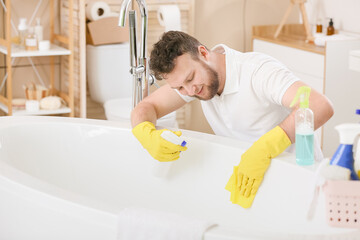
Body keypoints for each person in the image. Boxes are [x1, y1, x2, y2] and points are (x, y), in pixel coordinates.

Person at [131, 31, 334, 208]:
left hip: (298, 179)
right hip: (252, 181)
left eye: (191, 78)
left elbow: (319, 105)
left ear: (203, 53)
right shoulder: (194, 82)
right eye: (180, 88)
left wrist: (265, 148)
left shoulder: (257, 71)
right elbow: (147, 107)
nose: (190, 91)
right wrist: (144, 132)